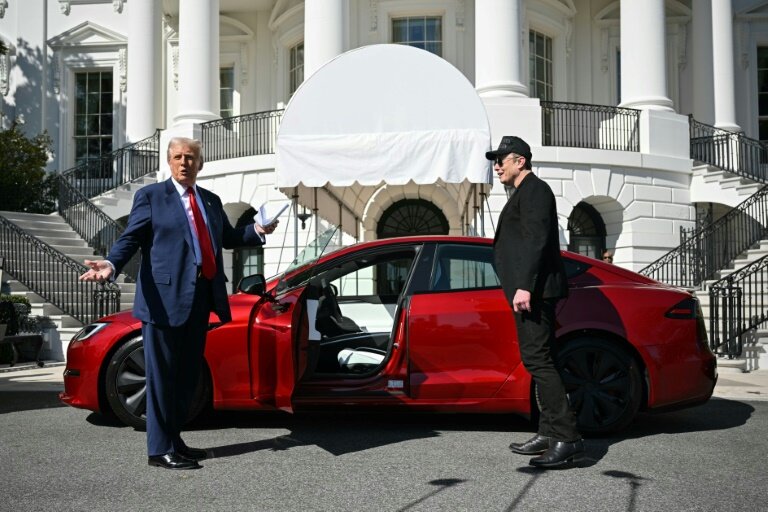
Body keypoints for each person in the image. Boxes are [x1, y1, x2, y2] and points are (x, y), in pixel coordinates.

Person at [79, 137, 277, 470]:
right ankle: (159, 450)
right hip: (163, 301)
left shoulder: (210, 200)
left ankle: (174, 440)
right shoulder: (152, 197)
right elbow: (131, 238)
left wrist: (257, 229)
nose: (184, 162)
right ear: (169, 161)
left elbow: (228, 238)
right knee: (161, 377)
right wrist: (111, 264)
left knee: (186, 378)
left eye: (190, 157)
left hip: (200, 298)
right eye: (178, 157)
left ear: (200, 163)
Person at [487, 135, 584, 469]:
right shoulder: (524, 192)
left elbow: (536, 240)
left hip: (535, 292)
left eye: (501, 160)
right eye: (495, 161)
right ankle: (548, 432)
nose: (496, 166)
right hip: (533, 290)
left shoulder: (535, 191)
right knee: (545, 360)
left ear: (520, 161)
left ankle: (567, 438)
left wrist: (524, 286)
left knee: (538, 360)